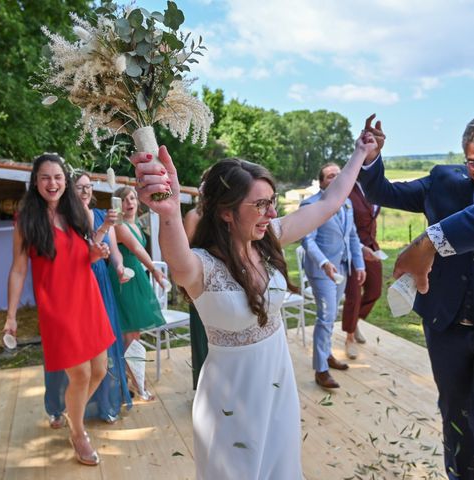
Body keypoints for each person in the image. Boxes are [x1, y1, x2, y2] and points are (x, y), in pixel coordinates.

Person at [130, 131, 377, 479]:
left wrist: (360, 152)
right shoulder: (201, 266)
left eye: (272, 202)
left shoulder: (269, 239)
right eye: (260, 204)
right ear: (227, 213)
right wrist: (168, 212)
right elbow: (176, 257)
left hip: (277, 380)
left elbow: (329, 202)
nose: (271, 212)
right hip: (230, 397)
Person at [359, 113, 474, 480]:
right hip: (446, 324)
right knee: (454, 418)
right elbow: (386, 193)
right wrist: (371, 160)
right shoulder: (443, 180)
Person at [4, 154, 116, 466]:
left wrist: (97, 253)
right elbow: (17, 270)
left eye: (57, 177)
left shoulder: (76, 212)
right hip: (56, 306)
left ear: (64, 181)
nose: (52, 183)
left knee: (100, 370)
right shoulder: (26, 219)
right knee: (79, 374)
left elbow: (84, 255)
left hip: (88, 297)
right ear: (35, 182)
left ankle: (71, 411)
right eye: (45, 177)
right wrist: (11, 315)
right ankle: (78, 433)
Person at [42, 172, 133, 428]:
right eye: (79, 187)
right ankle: (59, 408)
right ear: (69, 190)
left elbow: (114, 253)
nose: (85, 191)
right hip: (74, 285)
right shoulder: (65, 219)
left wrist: (118, 268)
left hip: (100, 282)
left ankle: (100, 405)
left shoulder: (104, 215)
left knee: (102, 355)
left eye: (89, 187)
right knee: (72, 356)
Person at [301, 163, 366, 389]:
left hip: (343, 269)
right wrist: (324, 263)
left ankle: (327, 354)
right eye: (330, 176)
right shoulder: (311, 204)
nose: (335, 179)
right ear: (321, 183)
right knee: (326, 316)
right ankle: (321, 370)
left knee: (331, 315)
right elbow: (307, 240)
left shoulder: (346, 203)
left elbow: (353, 237)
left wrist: (359, 265)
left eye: (339, 175)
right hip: (321, 270)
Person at [108, 186, 166, 350]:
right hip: (124, 277)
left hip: (137, 276)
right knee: (130, 332)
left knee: (135, 332)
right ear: (118, 205)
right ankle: (131, 375)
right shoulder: (120, 225)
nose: (129, 202)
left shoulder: (137, 225)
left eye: (132, 198)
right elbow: (137, 249)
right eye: (124, 200)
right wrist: (154, 270)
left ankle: (133, 374)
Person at [341, 182, 382, 359]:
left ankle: (355, 320)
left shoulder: (376, 187)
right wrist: (358, 247)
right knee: (354, 295)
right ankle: (349, 338)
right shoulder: (347, 190)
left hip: (372, 247)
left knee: (375, 290)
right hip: (351, 249)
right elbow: (344, 228)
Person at [183, 173, 209, 390]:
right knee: (202, 335)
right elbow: (188, 250)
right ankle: (203, 386)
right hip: (202, 281)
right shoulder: (194, 215)